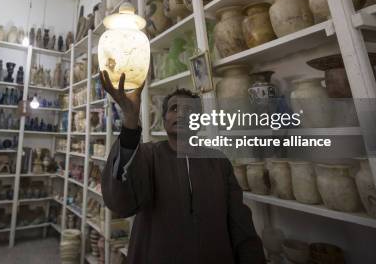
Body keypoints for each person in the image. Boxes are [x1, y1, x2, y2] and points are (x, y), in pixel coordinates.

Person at [100, 71, 265, 264]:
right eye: (174, 108)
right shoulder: (147, 155)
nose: (182, 114)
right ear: (164, 120)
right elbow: (120, 202)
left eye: (190, 110)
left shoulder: (218, 162)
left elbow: (241, 225)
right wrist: (130, 121)